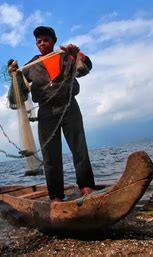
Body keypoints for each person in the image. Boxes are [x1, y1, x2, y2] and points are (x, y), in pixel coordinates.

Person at [8, 26, 96, 202]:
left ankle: (86, 186)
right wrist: (14, 75)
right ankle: (56, 195)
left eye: (45, 40)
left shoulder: (65, 56)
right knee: (50, 156)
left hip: (69, 105)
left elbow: (86, 68)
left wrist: (78, 54)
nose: (42, 44)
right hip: (46, 112)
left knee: (79, 148)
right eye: (38, 41)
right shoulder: (30, 66)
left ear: (54, 41)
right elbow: (19, 95)